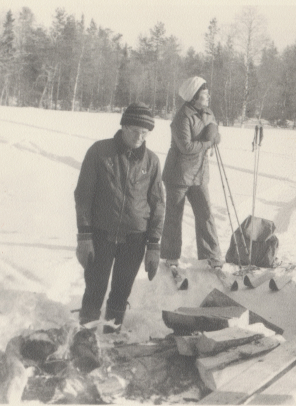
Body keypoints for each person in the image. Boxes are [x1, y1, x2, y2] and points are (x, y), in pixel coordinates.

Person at [74, 102, 165, 333]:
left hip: (135, 239)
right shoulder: (99, 152)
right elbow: (83, 195)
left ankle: (112, 339)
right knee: (94, 290)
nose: (139, 137)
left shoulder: (152, 162)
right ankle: (85, 341)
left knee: (121, 292)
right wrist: (84, 236)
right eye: (135, 130)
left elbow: (157, 204)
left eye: (145, 133)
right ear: (123, 126)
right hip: (101, 235)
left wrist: (154, 245)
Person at [160, 76, 223, 271]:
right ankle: (171, 257)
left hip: (199, 174)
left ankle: (212, 256)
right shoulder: (182, 117)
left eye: (207, 93)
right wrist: (209, 142)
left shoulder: (207, 112)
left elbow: (215, 132)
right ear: (194, 97)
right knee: (174, 216)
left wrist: (214, 135)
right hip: (178, 175)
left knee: (205, 215)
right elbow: (186, 147)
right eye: (204, 94)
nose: (208, 97)